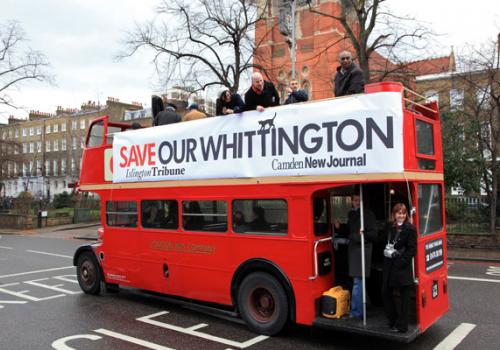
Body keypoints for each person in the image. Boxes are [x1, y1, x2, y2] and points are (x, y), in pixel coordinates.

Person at [334, 192, 376, 319]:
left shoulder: (368, 214)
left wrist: (360, 235)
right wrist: (339, 227)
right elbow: (350, 231)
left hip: (362, 249)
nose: (357, 202)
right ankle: (363, 306)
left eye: (359, 200)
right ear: (352, 201)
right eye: (355, 200)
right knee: (358, 280)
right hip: (353, 250)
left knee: (358, 281)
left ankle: (356, 312)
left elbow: (373, 234)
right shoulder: (351, 214)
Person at [382, 203, 416, 333]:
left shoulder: (411, 229)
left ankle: (403, 326)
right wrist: (365, 234)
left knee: (404, 298)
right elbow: (381, 240)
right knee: (385, 293)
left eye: (403, 213)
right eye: (398, 213)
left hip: (402, 267)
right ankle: (393, 320)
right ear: (394, 214)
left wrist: (400, 260)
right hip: (389, 266)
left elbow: (412, 250)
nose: (401, 215)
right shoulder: (390, 227)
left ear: (406, 214)